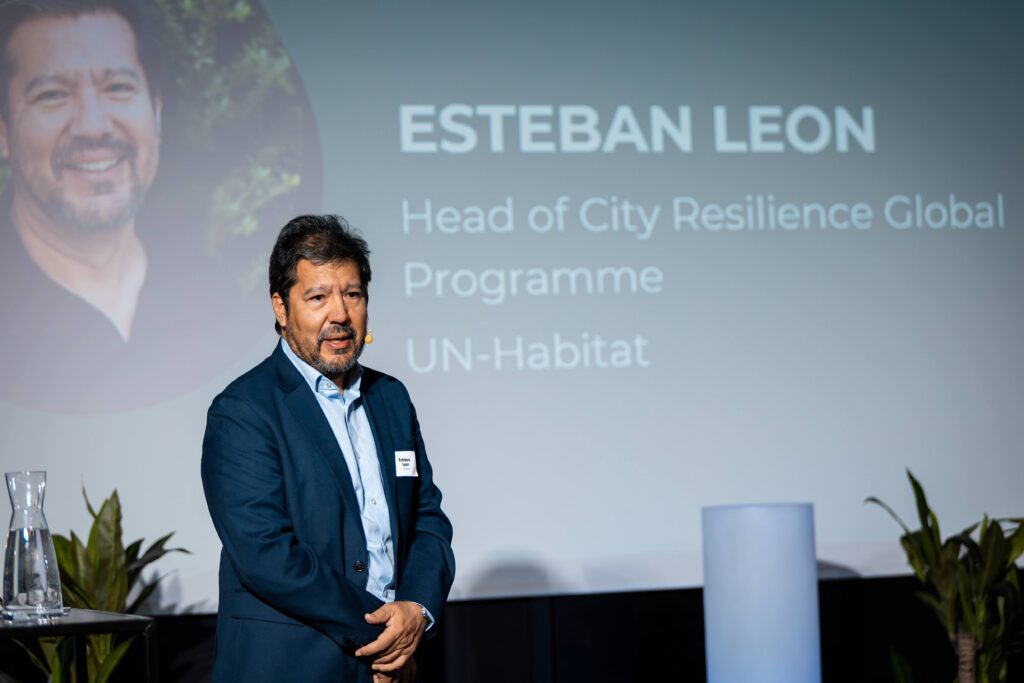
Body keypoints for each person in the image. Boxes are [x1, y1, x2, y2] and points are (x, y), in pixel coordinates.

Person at [201, 215, 455, 682]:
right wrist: (382, 634)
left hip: (393, 667)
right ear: (281, 307)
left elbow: (427, 518)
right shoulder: (243, 410)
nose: (339, 314)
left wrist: (416, 611)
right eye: (317, 297)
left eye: (352, 295)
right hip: (293, 666)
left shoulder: (391, 398)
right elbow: (266, 554)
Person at [0, 0, 162, 342]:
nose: (93, 126)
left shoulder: (222, 288)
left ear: (156, 113)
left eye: (118, 88)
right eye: (52, 95)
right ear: (4, 133)